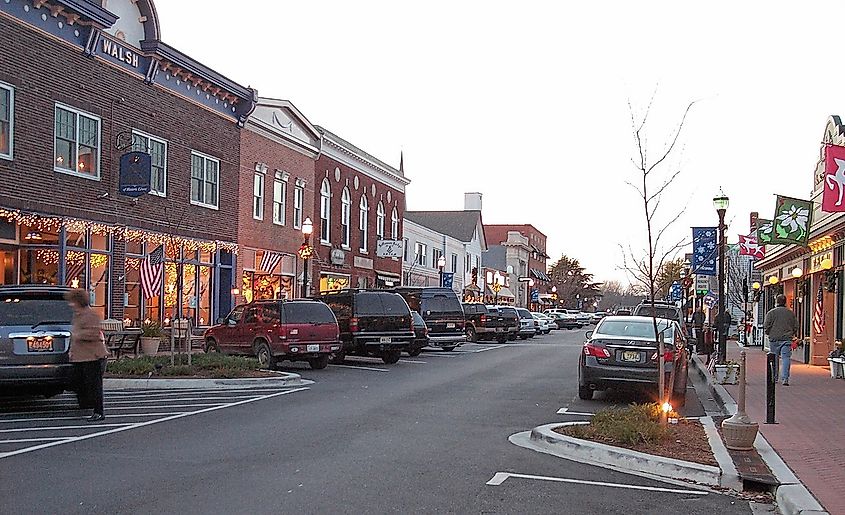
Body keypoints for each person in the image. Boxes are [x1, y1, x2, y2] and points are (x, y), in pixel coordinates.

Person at [65, 288, 109, 421]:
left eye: (72, 301)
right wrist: (71, 351)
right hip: (79, 356)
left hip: (92, 356)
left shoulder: (91, 315)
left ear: (78, 301)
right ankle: (86, 403)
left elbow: (94, 333)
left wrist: (78, 335)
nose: (70, 304)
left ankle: (98, 411)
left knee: (94, 384)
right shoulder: (77, 315)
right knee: (75, 381)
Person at [764, 294, 798, 386]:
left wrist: (769, 333)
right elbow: (795, 326)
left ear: (776, 301)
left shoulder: (771, 313)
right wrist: (792, 333)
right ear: (785, 302)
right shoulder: (790, 313)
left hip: (774, 338)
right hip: (786, 339)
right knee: (786, 358)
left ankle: (774, 377)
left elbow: (766, 326)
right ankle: (785, 378)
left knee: (774, 358)